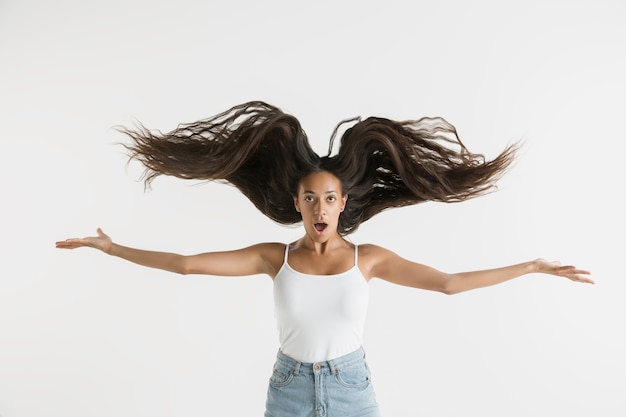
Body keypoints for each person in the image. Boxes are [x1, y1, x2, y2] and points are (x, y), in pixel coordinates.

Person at [56, 101, 593, 417]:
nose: (320, 206)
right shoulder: (274, 257)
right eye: (310, 197)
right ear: (296, 203)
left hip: (350, 388)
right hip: (287, 390)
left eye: (329, 198)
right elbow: (187, 264)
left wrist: (530, 267)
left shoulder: (370, 259)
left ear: (343, 204)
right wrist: (112, 248)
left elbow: (449, 283)